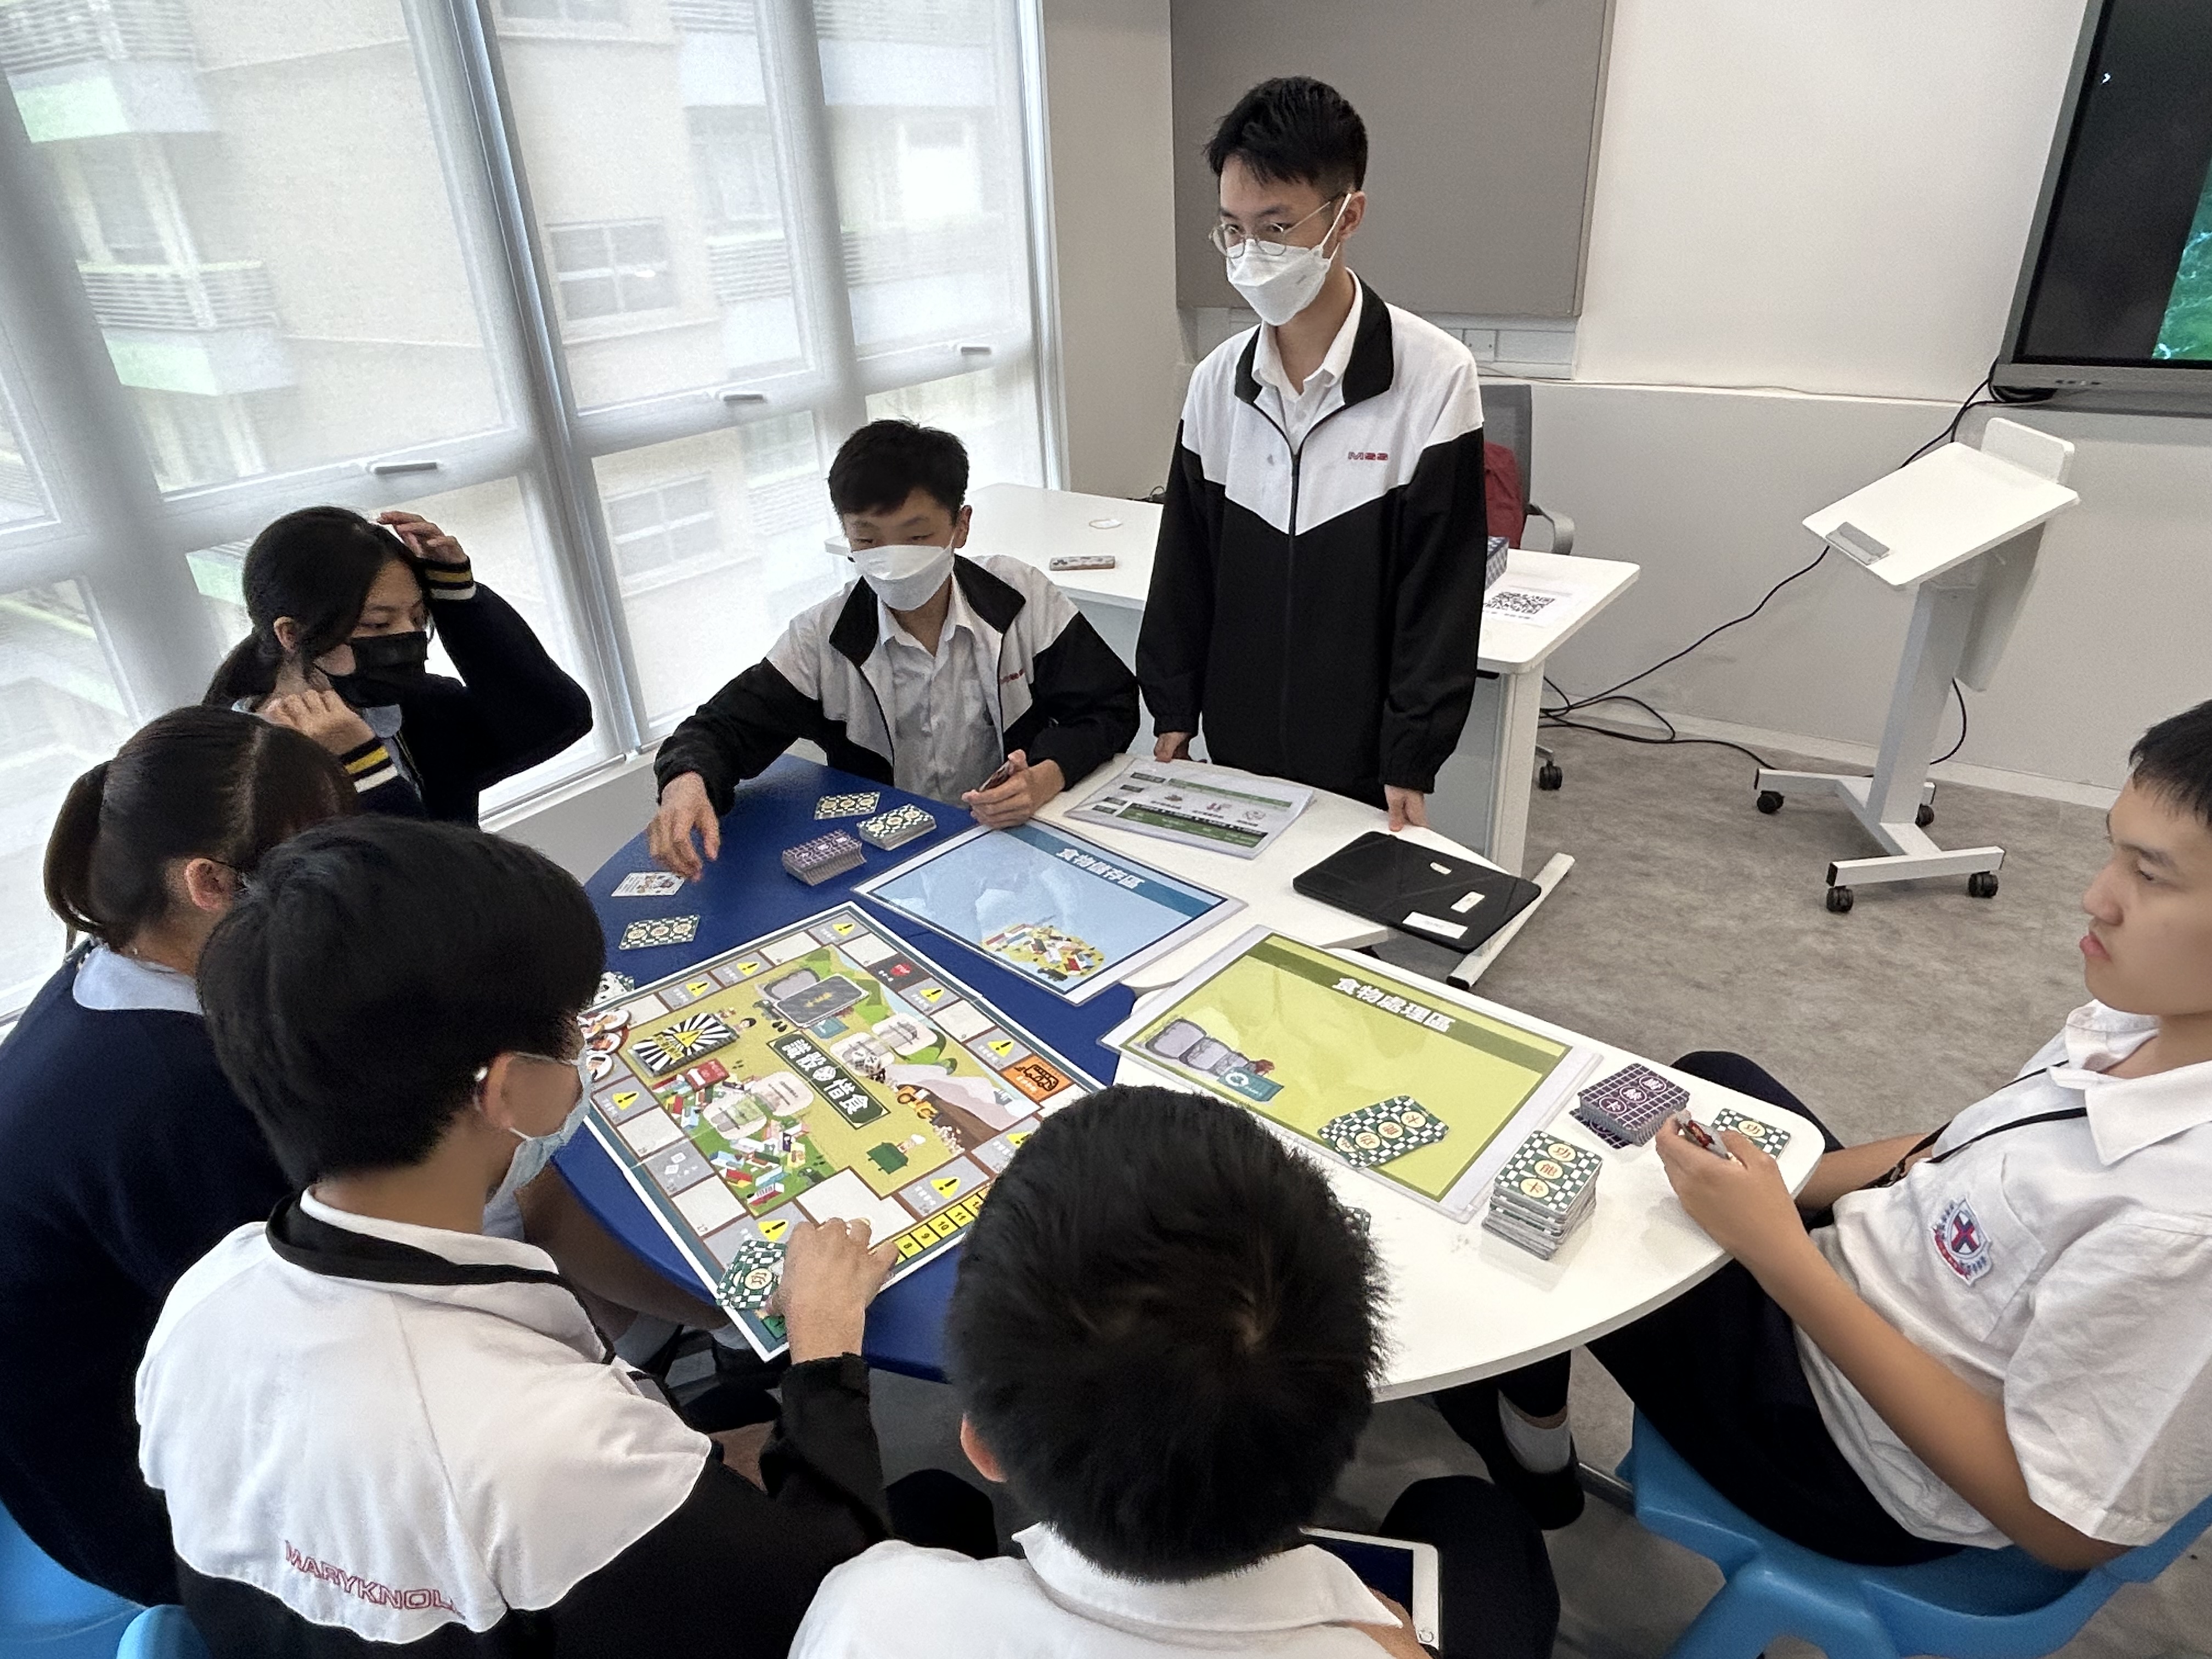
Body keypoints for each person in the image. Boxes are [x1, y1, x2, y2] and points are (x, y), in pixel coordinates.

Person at [142, 816, 988, 1653]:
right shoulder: (554, 1449)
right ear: (508, 1090)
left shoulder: (203, 1297)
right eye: (573, 1029)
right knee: (941, 1506)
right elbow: (824, 1596)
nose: (588, 1049)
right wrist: (825, 1350)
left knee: (733, 1410)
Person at [1443, 698, 2212, 1570]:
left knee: (1578, 1204)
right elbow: (1966, 1148)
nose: (2097, 898)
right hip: (1868, 1280)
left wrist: (1778, 1251)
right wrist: (1792, 1185)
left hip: (1854, 1462)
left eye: (2150, 876)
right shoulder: (2140, 1021)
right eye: (2113, 851)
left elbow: (2065, 1529)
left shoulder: (2184, 1227)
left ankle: (1529, 1448)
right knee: (1706, 1083)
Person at [792, 1086, 1559, 1659]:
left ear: (984, 1447)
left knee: (931, 1501)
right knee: (1473, 1515)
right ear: (1353, 1417)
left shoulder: (867, 1611)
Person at [0, 707, 357, 1605]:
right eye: (324, 864)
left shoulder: (114, 968)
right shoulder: (174, 1094)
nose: (350, 889)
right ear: (210, 883)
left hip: (95, 1430)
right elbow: (313, 1341)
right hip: (158, 1515)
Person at [1137, 76, 1488, 831]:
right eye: (1232, 229)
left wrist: (1412, 752)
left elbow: (1441, 597)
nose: (1250, 253)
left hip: (1362, 755)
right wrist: (1174, 704)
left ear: (1347, 216)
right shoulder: (1215, 383)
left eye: (1276, 227)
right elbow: (1185, 564)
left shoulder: (1434, 377)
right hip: (1235, 737)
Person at [650, 420, 1139, 878]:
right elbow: (720, 730)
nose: (892, 560)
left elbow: (1109, 706)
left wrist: (1044, 778)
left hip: (1017, 841)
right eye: (867, 539)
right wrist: (685, 782)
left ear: (961, 526)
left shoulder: (1019, 596)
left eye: (918, 536)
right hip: (890, 857)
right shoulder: (822, 637)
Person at [205, 505, 593, 825]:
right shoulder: (244, 768)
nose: (407, 636)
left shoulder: (420, 707)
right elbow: (411, 878)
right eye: (378, 624)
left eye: (419, 617)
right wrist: (363, 766)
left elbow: (555, 719)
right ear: (291, 634)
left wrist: (457, 596)